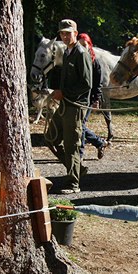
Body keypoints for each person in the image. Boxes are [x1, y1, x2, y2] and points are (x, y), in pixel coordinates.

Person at [45, 19, 92, 194]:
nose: (64, 36)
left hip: (76, 105)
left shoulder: (81, 53)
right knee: (50, 138)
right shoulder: (67, 52)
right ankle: (77, 169)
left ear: (75, 32)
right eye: (62, 33)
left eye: (68, 33)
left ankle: (73, 184)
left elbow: (86, 84)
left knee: (72, 144)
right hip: (65, 104)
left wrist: (63, 92)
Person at [77, 33, 110, 160]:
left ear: (89, 45)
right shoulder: (76, 60)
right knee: (79, 125)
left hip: (89, 99)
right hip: (77, 98)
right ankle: (99, 142)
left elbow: (98, 84)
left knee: (80, 124)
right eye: (80, 45)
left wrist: (96, 100)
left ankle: (80, 154)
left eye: (84, 45)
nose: (82, 48)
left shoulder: (95, 63)